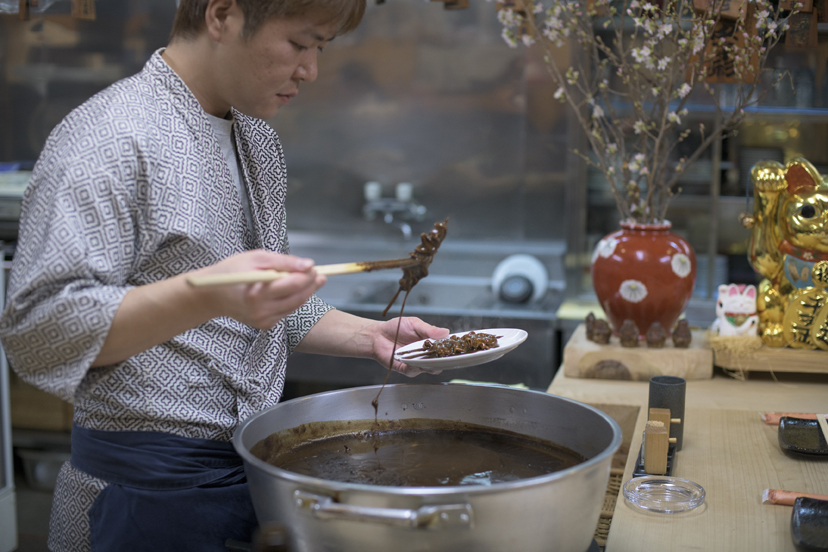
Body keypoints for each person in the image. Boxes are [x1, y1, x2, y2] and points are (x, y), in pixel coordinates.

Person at [0, 1, 450, 550]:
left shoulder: (255, 139)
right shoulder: (110, 139)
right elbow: (38, 333)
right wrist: (204, 296)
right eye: (301, 44)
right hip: (141, 495)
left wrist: (368, 335)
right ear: (222, 16)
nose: (310, 70)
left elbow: (261, 304)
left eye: (321, 49)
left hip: (248, 473)